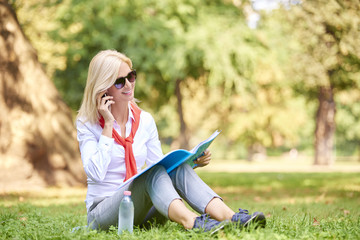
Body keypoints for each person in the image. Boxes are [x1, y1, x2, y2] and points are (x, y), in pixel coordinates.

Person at [76, 49, 266, 234]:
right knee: (151, 174)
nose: (128, 85)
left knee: (174, 169)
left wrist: (192, 163)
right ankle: (194, 223)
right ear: (102, 88)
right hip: (102, 214)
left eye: (131, 76)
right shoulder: (88, 124)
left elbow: (160, 169)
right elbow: (96, 174)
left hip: (141, 213)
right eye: (119, 82)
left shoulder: (145, 120)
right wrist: (108, 126)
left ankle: (231, 218)